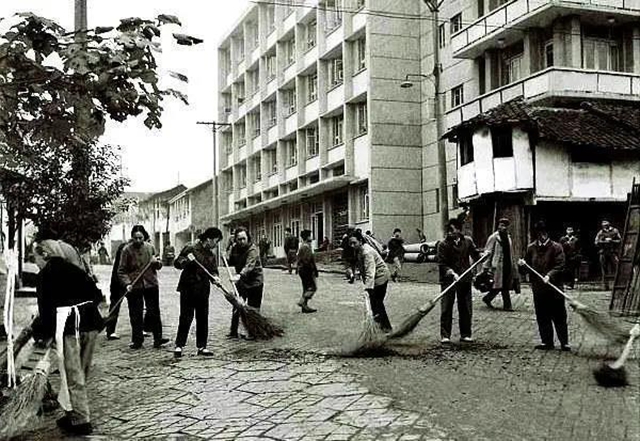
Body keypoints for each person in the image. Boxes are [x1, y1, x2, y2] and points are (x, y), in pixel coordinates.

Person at [32, 240, 104, 436]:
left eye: (35, 257)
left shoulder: (45, 275)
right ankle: (73, 412)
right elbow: (97, 295)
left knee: (72, 374)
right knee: (81, 371)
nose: (35, 262)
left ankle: (81, 421)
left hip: (70, 328)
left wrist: (41, 334)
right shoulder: (74, 269)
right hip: (90, 325)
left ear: (44, 255)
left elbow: (46, 311)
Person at [518, 221, 569, 351]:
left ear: (548, 234)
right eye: (540, 233)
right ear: (537, 234)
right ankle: (547, 342)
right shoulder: (531, 248)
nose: (542, 236)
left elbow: (561, 265)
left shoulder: (557, 247)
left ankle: (564, 342)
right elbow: (526, 268)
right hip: (539, 288)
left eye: (544, 233)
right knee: (542, 315)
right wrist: (522, 265)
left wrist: (550, 275)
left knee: (559, 315)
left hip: (554, 288)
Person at [173, 227, 223, 358]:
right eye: (216, 242)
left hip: (203, 289)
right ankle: (179, 345)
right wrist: (186, 261)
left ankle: (202, 346)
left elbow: (213, 270)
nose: (216, 245)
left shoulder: (211, 255)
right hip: (188, 287)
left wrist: (215, 277)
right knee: (185, 317)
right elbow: (177, 263)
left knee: (202, 317)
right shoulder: (190, 247)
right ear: (209, 239)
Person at [117, 225, 168, 349]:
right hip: (135, 286)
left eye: (140, 238)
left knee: (154, 311)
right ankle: (137, 340)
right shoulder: (126, 250)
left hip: (151, 284)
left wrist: (156, 262)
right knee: (136, 313)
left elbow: (159, 265)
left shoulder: (150, 248)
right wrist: (127, 283)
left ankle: (158, 338)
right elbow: (121, 271)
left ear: (144, 237)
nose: (138, 240)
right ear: (132, 238)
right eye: (136, 238)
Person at [436, 218, 482, 344]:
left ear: (458, 230)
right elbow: (442, 263)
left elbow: (475, 255)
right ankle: (445, 335)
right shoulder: (443, 244)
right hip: (448, 280)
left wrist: (483, 256)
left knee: (466, 308)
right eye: (448, 230)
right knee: (446, 308)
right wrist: (451, 272)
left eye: (452, 230)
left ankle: (466, 334)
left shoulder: (467, 241)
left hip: (465, 279)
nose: (449, 233)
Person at [349, 230, 392, 332]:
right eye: (350, 243)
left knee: (377, 303)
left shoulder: (367, 252)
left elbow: (370, 271)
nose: (352, 245)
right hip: (374, 278)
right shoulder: (358, 250)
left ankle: (386, 328)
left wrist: (368, 289)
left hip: (381, 277)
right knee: (375, 304)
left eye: (354, 243)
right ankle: (380, 327)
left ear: (360, 241)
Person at [227, 227, 264, 340]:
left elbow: (250, 265)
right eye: (239, 239)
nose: (242, 241)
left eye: (244, 239)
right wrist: (228, 253)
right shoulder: (235, 248)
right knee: (237, 306)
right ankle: (233, 331)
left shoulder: (253, 250)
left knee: (253, 309)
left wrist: (240, 275)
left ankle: (253, 332)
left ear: (248, 238)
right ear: (236, 240)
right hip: (242, 282)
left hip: (255, 282)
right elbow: (231, 261)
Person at [481, 218, 518, 311]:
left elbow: (511, 252)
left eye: (505, 226)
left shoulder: (508, 237)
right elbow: (488, 252)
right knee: (501, 285)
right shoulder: (494, 237)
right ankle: (507, 306)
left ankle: (487, 298)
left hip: (507, 265)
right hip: (497, 265)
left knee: (501, 285)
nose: (502, 227)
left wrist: (513, 264)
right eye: (501, 225)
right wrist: (486, 266)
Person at [105, 241, 129, 340]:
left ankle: (140, 329)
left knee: (136, 306)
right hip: (119, 283)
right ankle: (110, 330)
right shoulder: (123, 256)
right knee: (115, 306)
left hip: (128, 282)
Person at [594, 220, 621, 290]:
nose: (605, 226)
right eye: (603, 225)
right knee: (604, 269)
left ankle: (619, 284)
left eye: (606, 225)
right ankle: (605, 286)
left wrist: (612, 241)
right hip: (603, 252)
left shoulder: (615, 231)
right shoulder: (601, 232)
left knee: (617, 267)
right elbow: (596, 242)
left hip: (613, 252)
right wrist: (603, 241)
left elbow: (620, 240)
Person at [296, 229, 319, 313]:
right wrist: (313, 270)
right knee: (312, 287)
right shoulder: (306, 247)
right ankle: (302, 301)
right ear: (308, 237)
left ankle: (304, 307)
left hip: (302, 269)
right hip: (306, 270)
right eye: (310, 235)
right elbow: (307, 260)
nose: (312, 237)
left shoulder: (304, 245)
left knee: (306, 288)